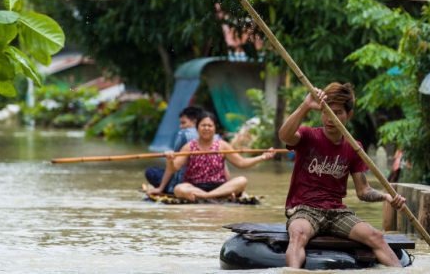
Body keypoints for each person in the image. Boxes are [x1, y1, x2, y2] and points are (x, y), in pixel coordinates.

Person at [278, 82, 407, 268]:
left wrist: (387, 196)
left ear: (349, 115)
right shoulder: (308, 136)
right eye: (327, 112)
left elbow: (363, 191)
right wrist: (306, 105)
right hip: (305, 209)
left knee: (376, 237)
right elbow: (284, 136)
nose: (331, 118)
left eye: (337, 112)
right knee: (298, 234)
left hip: (337, 213)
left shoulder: (355, 147)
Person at [146, 111, 274, 201]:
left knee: (242, 180)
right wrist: (170, 159)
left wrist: (261, 157)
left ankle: (208, 196)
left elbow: (241, 163)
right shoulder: (189, 147)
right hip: (195, 187)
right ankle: (211, 196)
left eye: (210, 125)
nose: (206, 128)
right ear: (197, 128)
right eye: (203, 125)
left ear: (214, 128)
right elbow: (174, 168)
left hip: (219, 187)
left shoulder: (223, 146)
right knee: (179, 189)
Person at [144, 106, 202, 194]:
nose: (181, 126)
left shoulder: (183, 134)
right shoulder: (216, 137)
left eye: (183, 123)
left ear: (194, 121)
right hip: (204, 181)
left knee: (151, 171)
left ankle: (166, 187)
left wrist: (160, 188)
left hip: (183, 182)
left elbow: (172, 166)